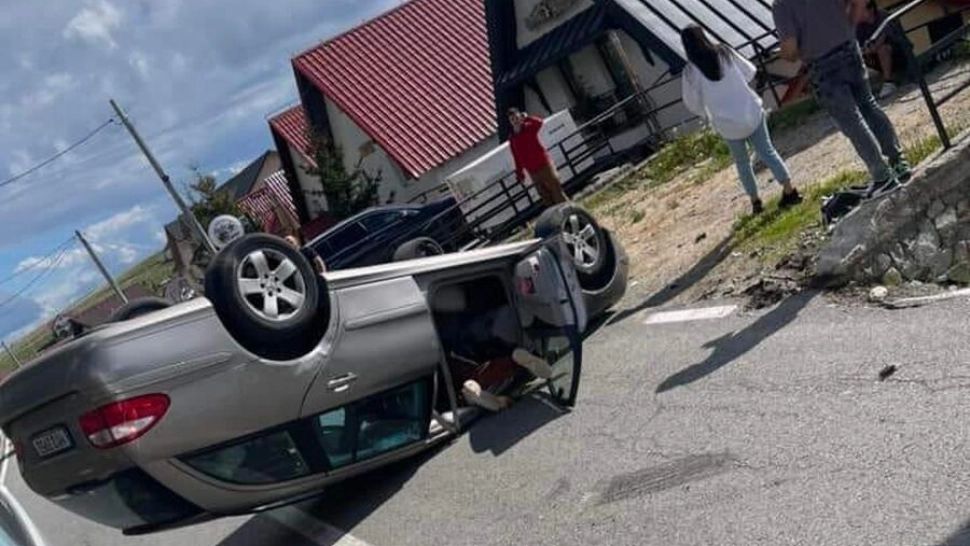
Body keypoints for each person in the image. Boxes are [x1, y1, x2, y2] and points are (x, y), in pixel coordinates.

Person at [773, 0, 911, 199]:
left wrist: (784, 52)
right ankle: (898, 163)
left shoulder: (782, 5)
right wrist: (848, 26)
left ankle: (882, 176)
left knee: (852, 122)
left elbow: (791, 50)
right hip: (849, 49)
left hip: (822, 65)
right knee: (869, 106)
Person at [680, 26, 801, 215]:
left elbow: (692, 103)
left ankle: (756, 202)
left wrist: (706, 111)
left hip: (727, 124)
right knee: (768, 151)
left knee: (742, 163)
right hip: (750, 110)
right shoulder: (724, 52)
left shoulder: (690, 72)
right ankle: (790, 190)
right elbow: (750, 71)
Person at [508, 108, 568, 206]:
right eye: (512, 119)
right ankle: (555, 217)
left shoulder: (529, 127)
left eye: (516, 117)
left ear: (520, 117)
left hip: (544, 165)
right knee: (544, 195)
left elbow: (539, 122)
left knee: (556, 190)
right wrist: (520, 173)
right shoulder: (512, 138)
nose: (515, 121)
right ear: (510, 122)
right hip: (532, 170)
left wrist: (527, 118)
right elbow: (517, 157)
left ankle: (569, 212)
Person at [855, 0, 909, 98]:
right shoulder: (859, 26)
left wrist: (871, 48)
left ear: (870, 9)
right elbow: (859, 45)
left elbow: (885, 38)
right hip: (874, 57)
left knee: (883, 49)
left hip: (899, 54)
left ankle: (889, 82)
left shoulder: (885, 17)